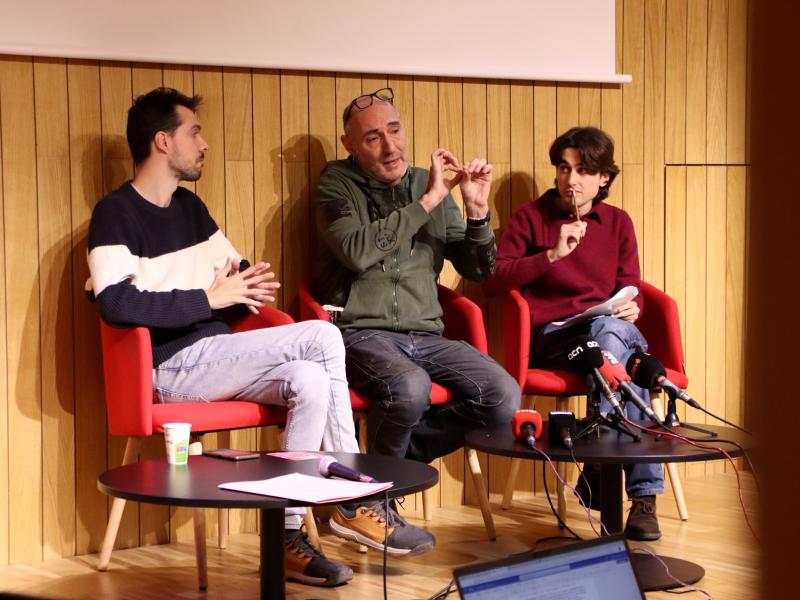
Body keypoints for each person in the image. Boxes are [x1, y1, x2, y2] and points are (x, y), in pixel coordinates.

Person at [87, 87, 364, 587]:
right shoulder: (115, 214)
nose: (205, 143)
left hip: (218, 357)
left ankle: (286, 536)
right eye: (194, 132)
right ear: (163, 141)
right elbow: (116, 304)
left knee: (310, 379)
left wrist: (242, 287)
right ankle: (351, 495)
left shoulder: (191, 209)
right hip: (169, 367)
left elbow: (233, 279)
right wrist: (207, 298)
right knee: (322, 338)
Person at [313, 87, 521, 553]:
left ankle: (379, 478)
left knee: (502, 396)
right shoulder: (336, 183)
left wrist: (477, 211)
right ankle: (373, 502)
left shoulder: (430, 183)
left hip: (426, 333)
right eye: (373, 138)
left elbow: (479, 270)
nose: (390, 147)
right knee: (409, 388)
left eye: (395, 131)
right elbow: (356, 251)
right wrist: (427, 202)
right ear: (350, 145)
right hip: (358, 331)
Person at [483, 126, 663, 541]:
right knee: (628, 366)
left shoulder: (617, 222)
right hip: (556, 339)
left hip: (608, 330)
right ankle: (642, 497)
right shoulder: (532, 218)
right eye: (564, 169)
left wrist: (634, 305)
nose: (571, 179)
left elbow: (631, 285)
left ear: (604, 177)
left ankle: (602, 461)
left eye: (583, 171)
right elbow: (494, 281)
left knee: (611, 340)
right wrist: (551, 254)